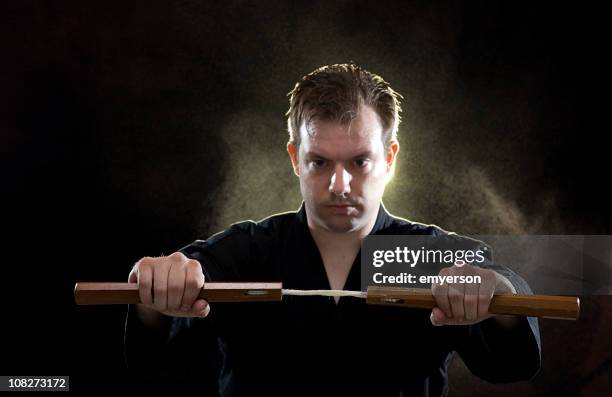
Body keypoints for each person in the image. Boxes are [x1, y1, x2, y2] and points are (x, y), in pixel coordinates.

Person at [124, 63, 541, 396]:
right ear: (295, 158)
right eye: (320, 162)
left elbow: (512, 364)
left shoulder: (429, 256)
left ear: (390, 158)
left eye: (359, 161)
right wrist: (157, 290)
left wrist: (497, 293)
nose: (339, 185)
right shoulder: (247, 251)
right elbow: (155, 361)